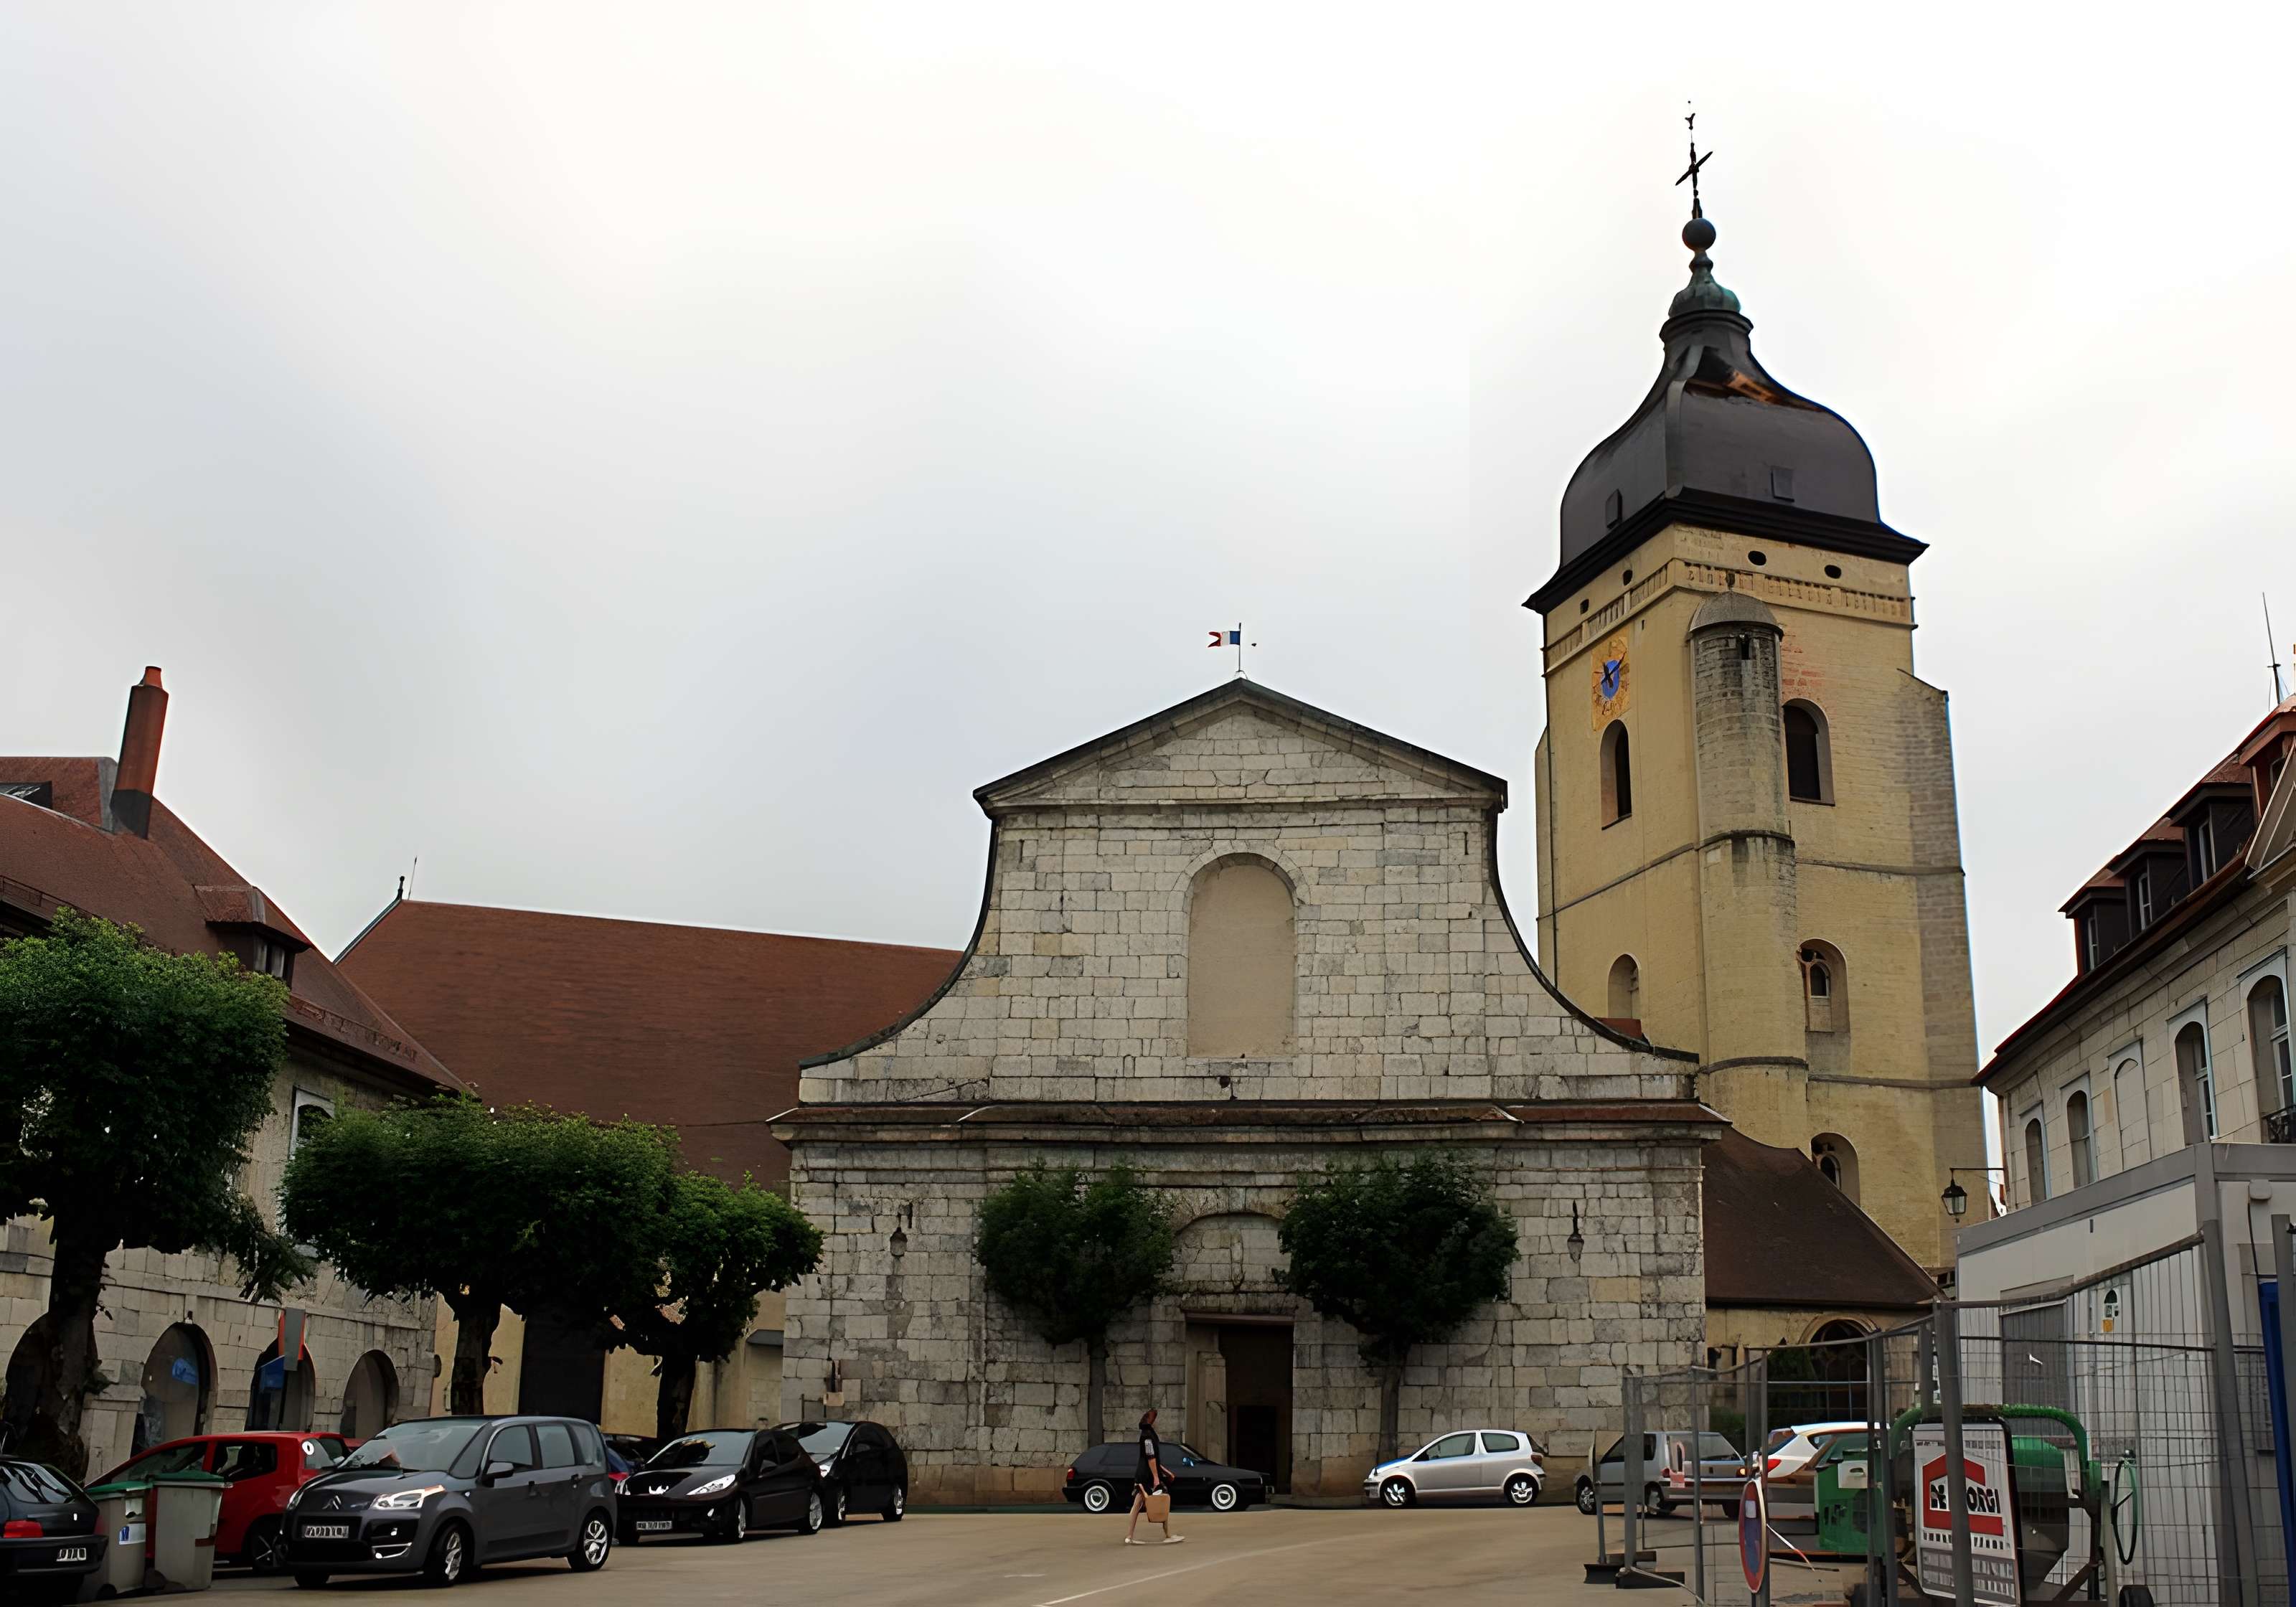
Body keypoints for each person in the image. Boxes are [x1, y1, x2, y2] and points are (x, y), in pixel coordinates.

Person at [1124, 1408, 1182, 1545]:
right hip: (1146, 1476)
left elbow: (1154, 1459)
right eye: (1156, 1419)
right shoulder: (1147, 1436)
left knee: (1154, 1503)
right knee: (1143, 1504)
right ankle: (1130, 1536)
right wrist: (1156, 1478)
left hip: (1148, 1475)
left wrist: (1166, 1473)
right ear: (1152, 1421)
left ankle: (1133, 1536)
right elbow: (1150, 1457)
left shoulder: (1149, 1435)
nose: (1158, 1422)